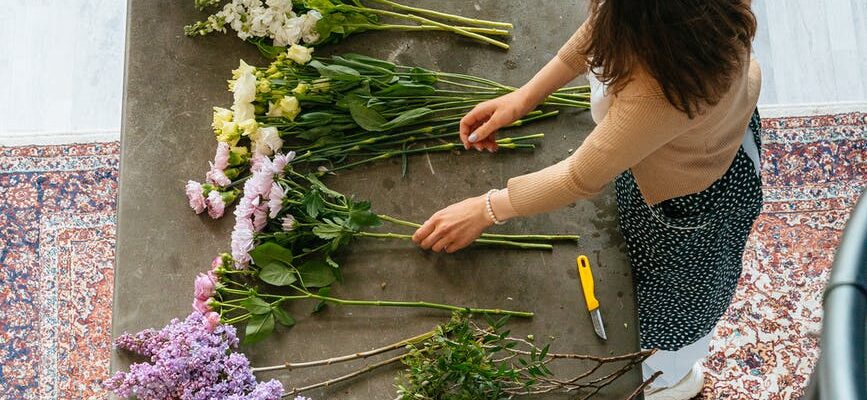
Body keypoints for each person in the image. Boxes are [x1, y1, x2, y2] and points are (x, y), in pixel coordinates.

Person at [411, 1, 763, 398]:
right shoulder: (687, 17)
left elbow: (579, 177)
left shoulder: (659, 97)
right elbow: (607, 26)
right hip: (698, 145)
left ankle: (671, 380)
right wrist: (524, 97)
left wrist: (487, 208)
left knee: (671, 312)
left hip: (687, 205)